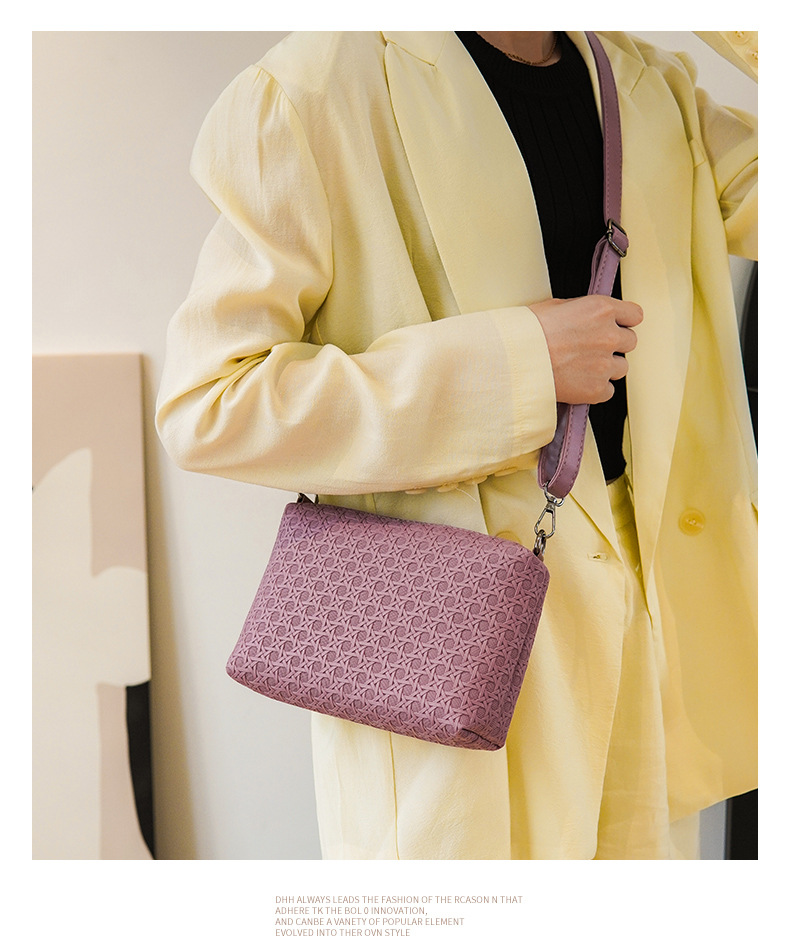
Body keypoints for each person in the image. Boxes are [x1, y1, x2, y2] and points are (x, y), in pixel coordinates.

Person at [156, 31, 757, 860]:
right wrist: (514, 367)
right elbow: (211, 402)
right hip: (448, 636)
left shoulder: (644, 81)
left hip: (647, 618)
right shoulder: (316, 90)